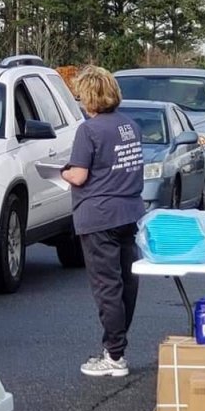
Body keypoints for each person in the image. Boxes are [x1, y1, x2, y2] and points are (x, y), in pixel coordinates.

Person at [61, 65, 145, 378]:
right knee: (126, 283)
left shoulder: (89, 130)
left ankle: (114, 355)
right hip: (129, 211)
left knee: (106, 286)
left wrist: (63, 172)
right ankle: (117, 347)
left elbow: (80, 175)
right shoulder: (130, 126)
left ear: (89, 97)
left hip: (98, 216)